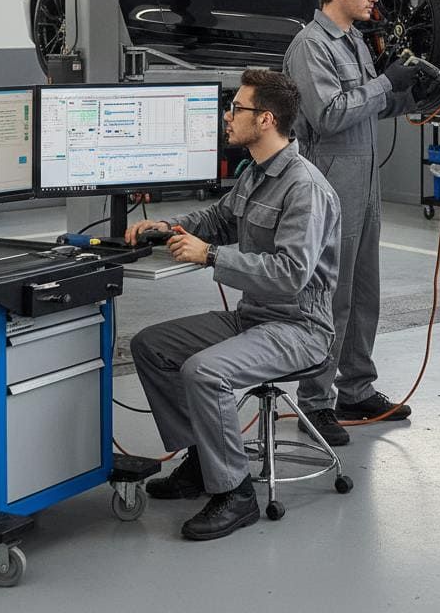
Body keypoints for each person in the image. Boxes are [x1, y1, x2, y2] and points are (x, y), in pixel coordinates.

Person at [126, 69, 341, 541]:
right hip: (255, 317)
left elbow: (290, 274)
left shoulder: (304, 188)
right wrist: (168, 224)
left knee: (206, 371)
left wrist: (211, 256)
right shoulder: (256, 173)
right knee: (151, 346)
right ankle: (203, 460)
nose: (228, 116)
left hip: (299, 327)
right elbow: (218, 218)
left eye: (236, 109)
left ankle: (236, 493)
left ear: (265, 119)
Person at [282, 0, 424, 446]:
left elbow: (367, 109)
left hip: (365, 183)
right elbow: (329, 114)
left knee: (365, 293)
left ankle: (356, 387)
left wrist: (411, 90)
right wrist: (386, 83)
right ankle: (316, 401)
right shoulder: (310, 47)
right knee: (330, 297)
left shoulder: (355, 43)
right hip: (329, 185)